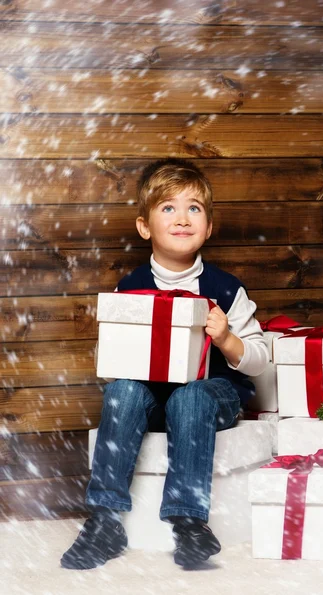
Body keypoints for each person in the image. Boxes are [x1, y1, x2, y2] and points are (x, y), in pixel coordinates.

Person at [61, 158, 269, 571]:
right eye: (167, 208)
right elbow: (118, 358)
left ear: (208, 227)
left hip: (213, 395)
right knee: (122, 390)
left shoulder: (226, 289)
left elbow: (259, 361)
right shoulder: (131, 286)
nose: (182, 218)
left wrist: (226, 337)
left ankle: (189, 520)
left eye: (194, 208)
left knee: (190, 398)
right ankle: (104, 520)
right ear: (144, 226)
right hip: (154, 397)